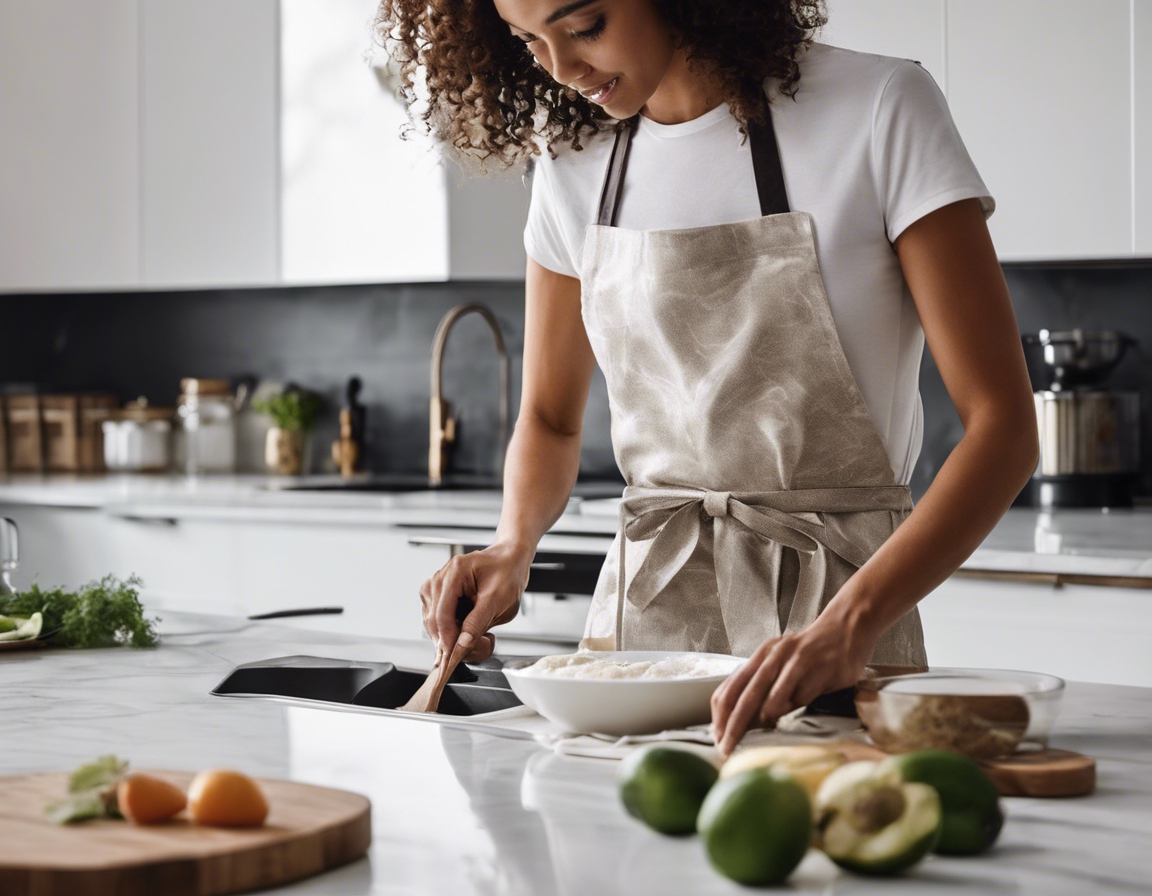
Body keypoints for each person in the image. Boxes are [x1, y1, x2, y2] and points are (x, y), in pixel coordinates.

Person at [376, 0, 1038, 753]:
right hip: (635, 645)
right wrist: (511, 544)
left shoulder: (879, 109)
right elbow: (552, 418)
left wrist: (851, 625)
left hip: (840, 621)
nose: (563, 69)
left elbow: (1004, 429)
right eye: (530, 42)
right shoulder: (570, 162)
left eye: (585, 26)